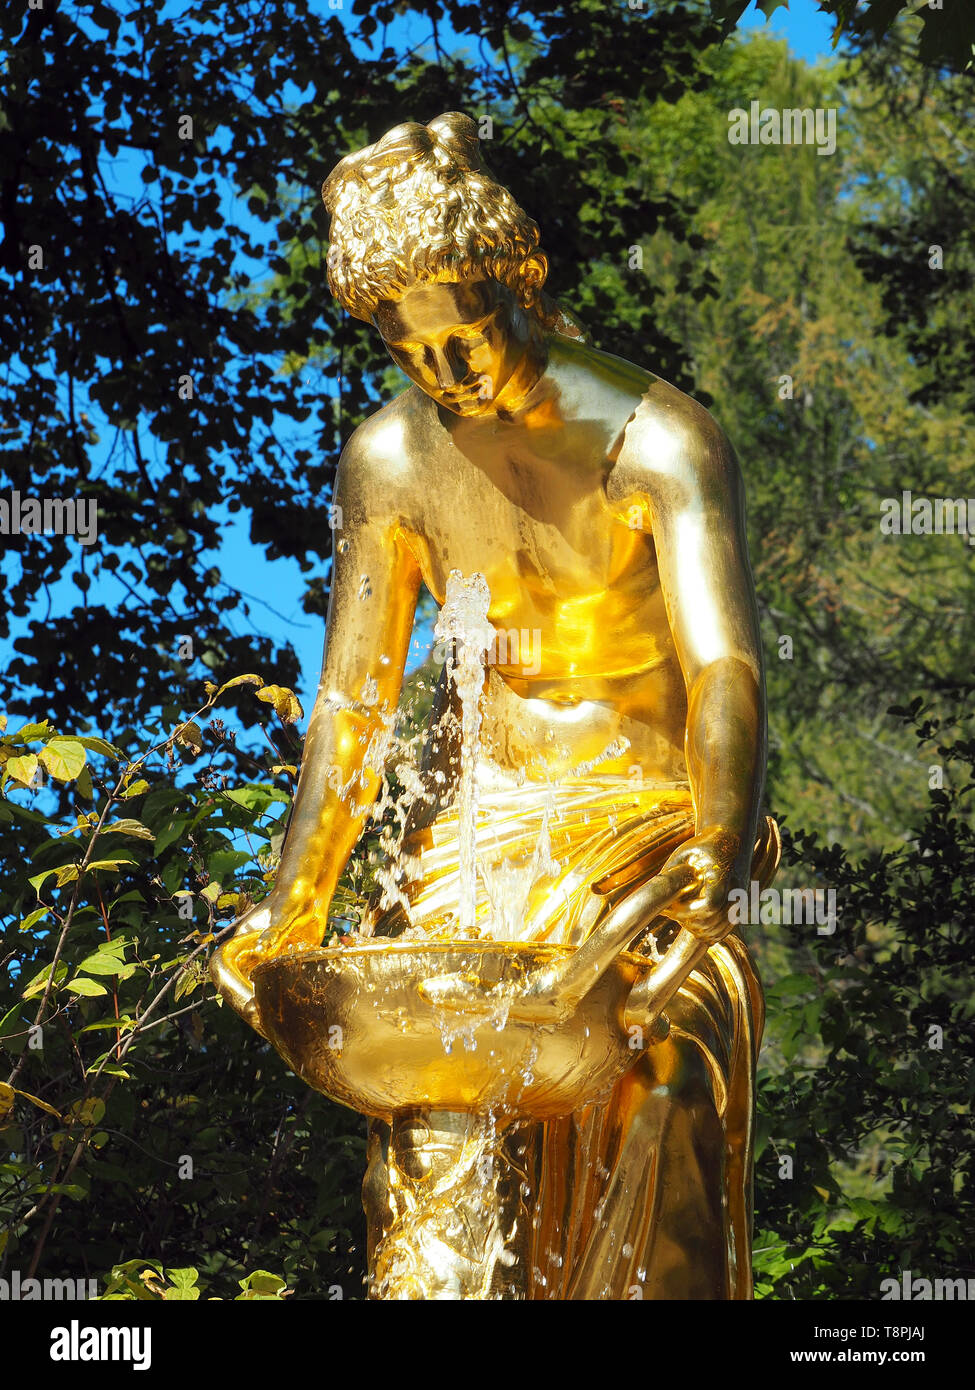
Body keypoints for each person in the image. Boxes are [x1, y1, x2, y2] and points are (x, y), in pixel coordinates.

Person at [212, 112, 779, 1299]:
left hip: (644, 824)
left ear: (522, 281)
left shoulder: (657, 436)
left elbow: (725, 665)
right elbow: (351, 710)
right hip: (486, 830)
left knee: (663, 1082)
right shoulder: (389, 461)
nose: (452, 374)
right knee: (434, 1116)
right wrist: (288, 908)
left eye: (471, 334)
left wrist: (720, 842)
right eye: (414, 353)